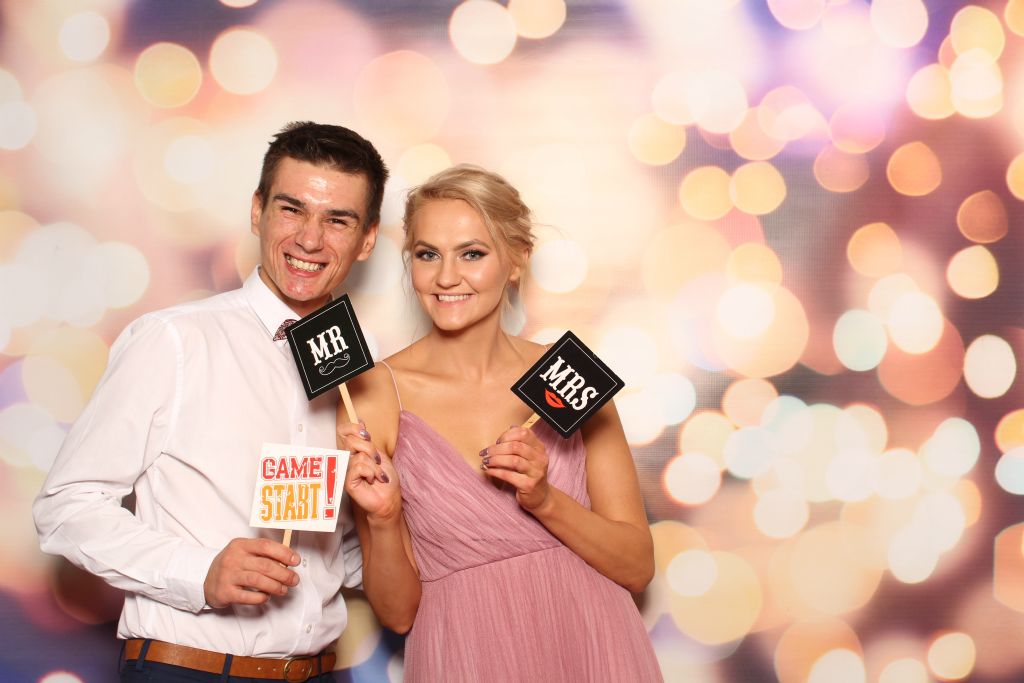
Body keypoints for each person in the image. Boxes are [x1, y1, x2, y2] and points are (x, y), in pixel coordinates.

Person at [33, 121, 389, 683]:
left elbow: (336, 558)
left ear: (367, 239)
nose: (310, 239)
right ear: (257, 211)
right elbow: (65, 507)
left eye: (337, 220)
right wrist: (200, 572)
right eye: (291, 209)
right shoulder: (173, 340)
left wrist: (382, 523)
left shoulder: (359, 374)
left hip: (320, 672)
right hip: (191, 670)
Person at [340, 164, 663, 682]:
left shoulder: (567, 374)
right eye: (427, 254)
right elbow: (397, 615)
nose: (446, 277)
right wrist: (383, 517)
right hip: (465, 658)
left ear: (516, 260)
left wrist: (545, 500)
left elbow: (637, 566)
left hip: (593, 647)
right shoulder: (375, 394)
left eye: (472, 253)